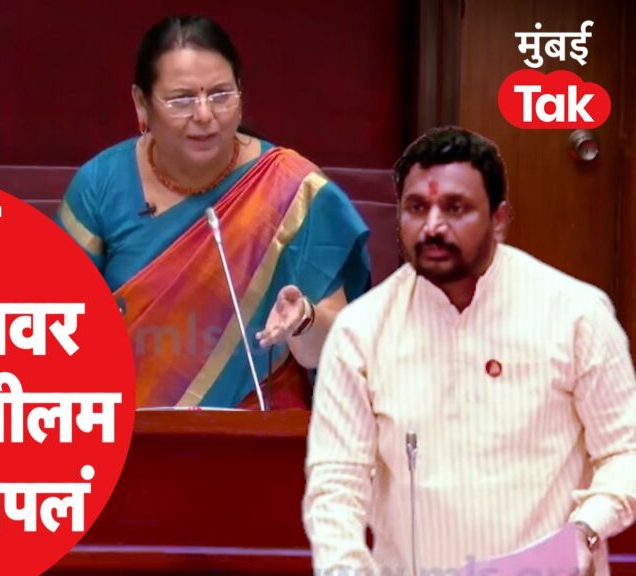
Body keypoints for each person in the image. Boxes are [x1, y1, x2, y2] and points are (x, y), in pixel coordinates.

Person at [303, 126, 636, 575]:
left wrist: (585, 531)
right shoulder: (360, 332)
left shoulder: (575, 314)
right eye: (417, 208)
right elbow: (335, 487)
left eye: (455, 208)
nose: (432, 226)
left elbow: (625, 452)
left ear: (499, 219)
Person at [55, 15, 371, 409]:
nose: (205, 115)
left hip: (259, 430)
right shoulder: (100, 186)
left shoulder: (292, 189)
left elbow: (339, 351)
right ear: (141, 103)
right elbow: (57, 335)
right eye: (182, 99)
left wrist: (304, 319)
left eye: (221, 95)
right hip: (129, 427)